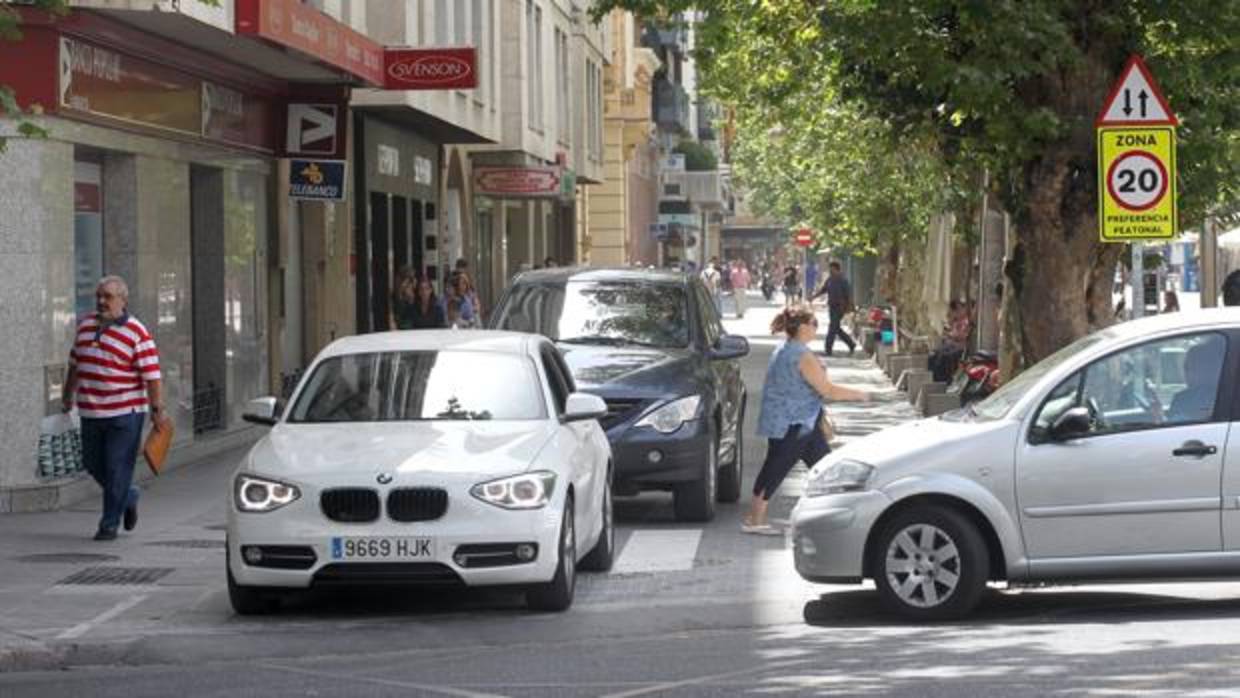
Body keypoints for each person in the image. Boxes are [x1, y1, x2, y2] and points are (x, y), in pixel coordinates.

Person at [743, 306, 870, 534]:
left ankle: (838, 518)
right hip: (794, 423)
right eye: (814, 324)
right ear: (802, 327)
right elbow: (827, 390)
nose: (816, 328)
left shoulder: (785, 348)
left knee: (825, 468)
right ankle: (754, 520)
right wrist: (860, 394)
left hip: (796, 422)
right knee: (777, 468)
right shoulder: (801, 355)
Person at [61, 276, 164, 541]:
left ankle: (108, 525)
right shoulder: (85, 326)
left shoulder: (136, 332)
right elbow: (75, 364)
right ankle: (128, 496)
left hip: (125, 414)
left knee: (118, 468)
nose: (101, 301)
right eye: (99, 296)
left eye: (107, 296)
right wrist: (67, 395)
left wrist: (157, 410)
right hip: (91, 412)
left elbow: (152, 375)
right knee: (92, 463)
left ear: (123, 300)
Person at [810, 261, 857, 356]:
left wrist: (849, 306)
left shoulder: (843, 280)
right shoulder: (830, 279)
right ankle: (851, 344)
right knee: (836, 328)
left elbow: (848, 295)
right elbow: (823, 290)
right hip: (832, 306)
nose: (830, 271)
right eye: (830, 269)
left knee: (832, 328)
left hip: (840, 307)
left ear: (837, 269)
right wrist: (813, 297)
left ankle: (828, 349)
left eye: (832, 269)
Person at [928, 300, 972, 382]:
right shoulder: (957, 321)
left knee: (945, 356)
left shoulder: (965, 322)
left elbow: (961, 336)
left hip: (960, 346)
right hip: (953, 344)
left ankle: (944, 380)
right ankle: (934, 380)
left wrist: (950, 335)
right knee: (934, 355)